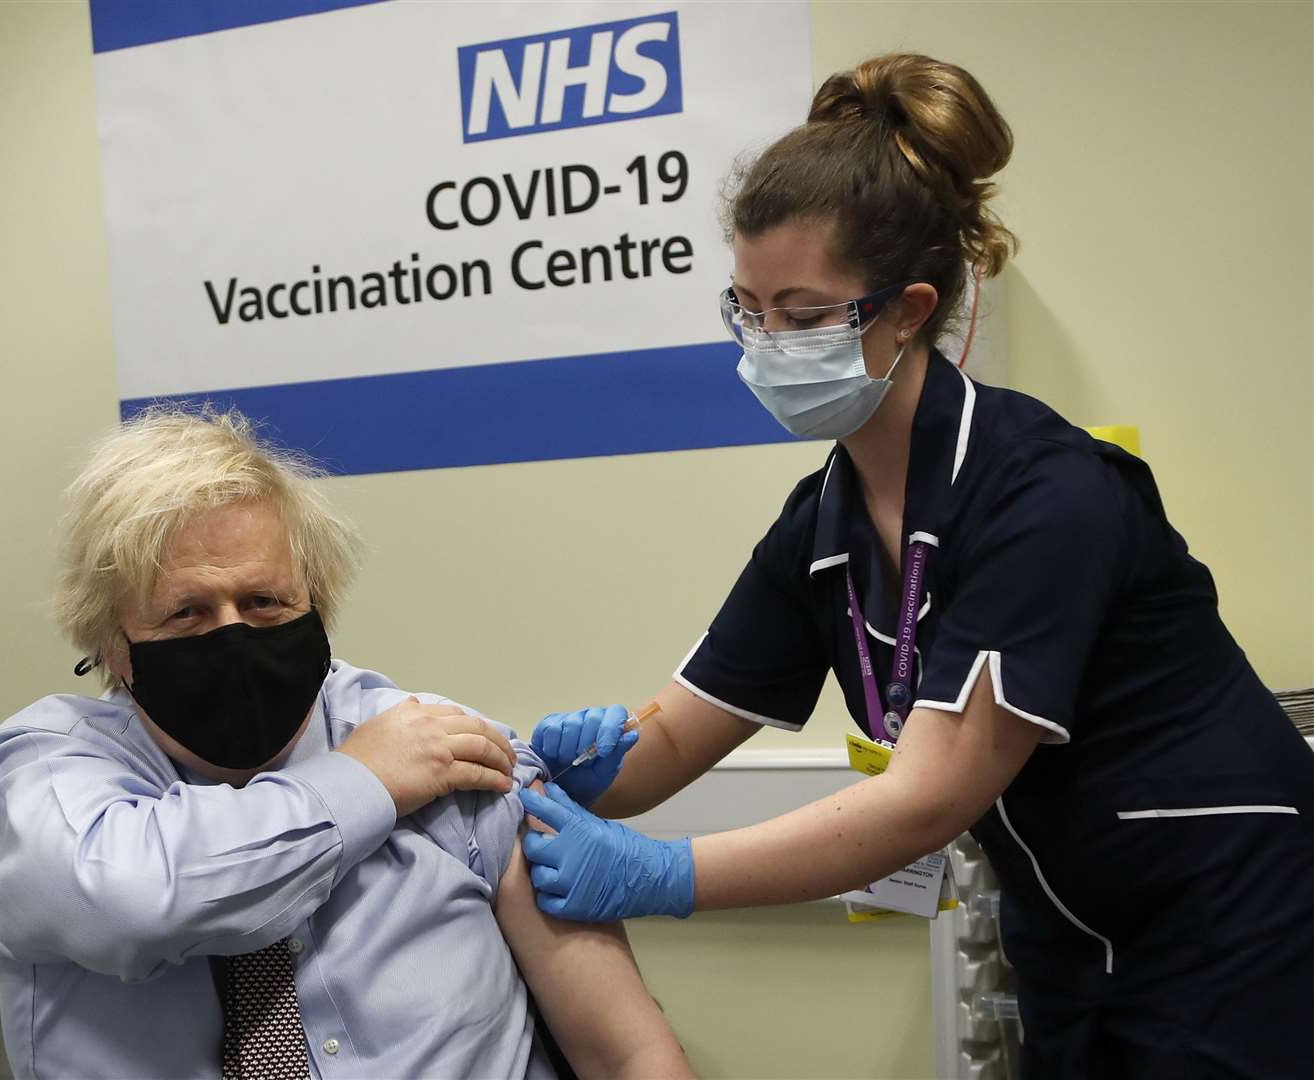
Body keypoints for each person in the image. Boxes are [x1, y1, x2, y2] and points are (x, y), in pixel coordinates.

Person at [517, 53, 1314, 1078]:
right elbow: (676, 732)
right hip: (1071, 939)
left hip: (1243, 924)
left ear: (907, 309)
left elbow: (927, 798)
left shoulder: (1046, 494)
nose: (766, 346)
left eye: (804, 317)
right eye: (746, 311)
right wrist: (588, 772)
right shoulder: (824, 524)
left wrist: (661, 873)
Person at [0, 407, 692, 1080]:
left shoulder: (445, 746)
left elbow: (627, 1052)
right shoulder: (43, 772)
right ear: (111, 644)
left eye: (264, 602)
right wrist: (363, 781)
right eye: (186, 613)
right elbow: (136, 899)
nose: (233, 634)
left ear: (317, 604)